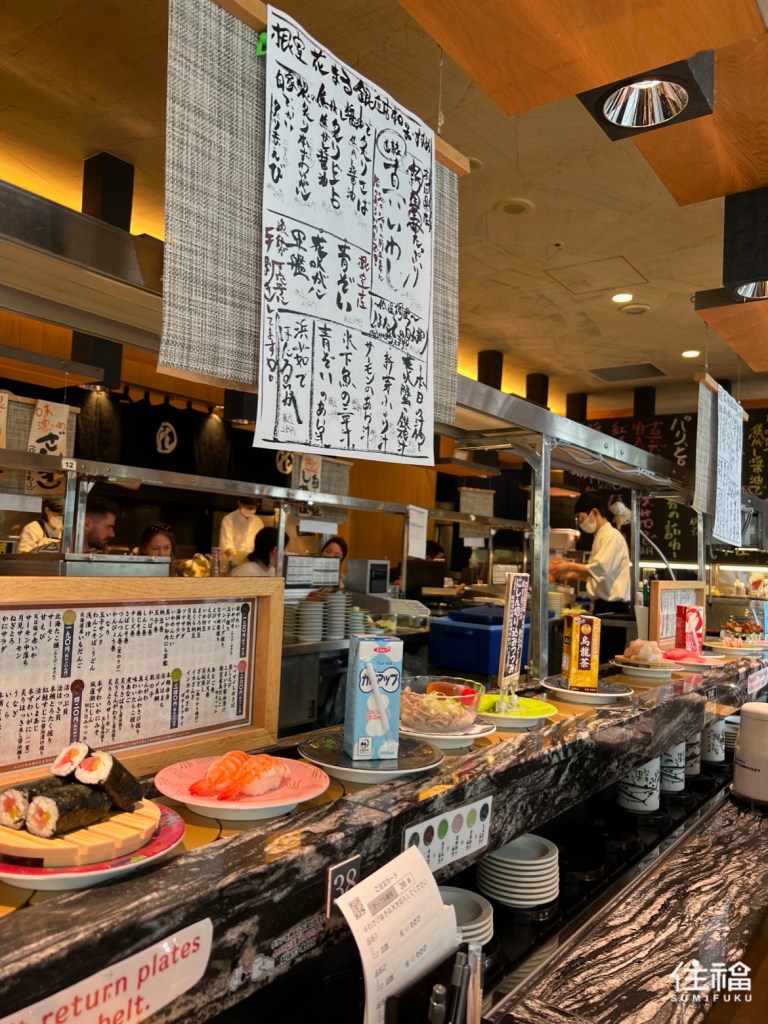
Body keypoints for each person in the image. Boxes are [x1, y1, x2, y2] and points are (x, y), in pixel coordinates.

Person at [550, 492, 631, 614]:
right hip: (604, 606)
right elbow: (600, 575)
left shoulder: (611, 536)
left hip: (613, 608)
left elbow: (601, 568)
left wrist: (567, 566)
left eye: (581, 518)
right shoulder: (601, 535)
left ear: (594, 512)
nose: (581, 523)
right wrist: (573, 575)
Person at [218, 499, 265, 567]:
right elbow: (226, 545)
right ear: (239, 503)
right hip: (232, 562)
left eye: (253, 508)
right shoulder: (228, 519)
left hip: (252, 563)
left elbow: (261, 544)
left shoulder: (258, 521)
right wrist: (235, 560)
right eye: (248, 507)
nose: (250, 510)